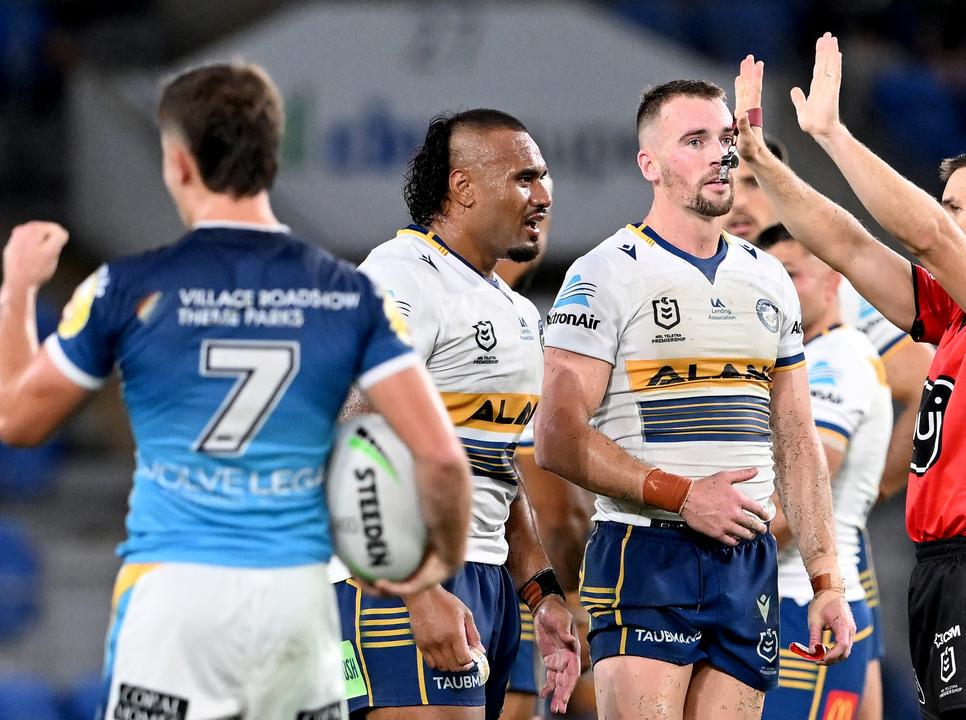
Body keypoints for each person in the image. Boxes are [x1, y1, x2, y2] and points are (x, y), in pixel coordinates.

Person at [0, 62, 472, 719]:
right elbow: (443, 462)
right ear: (272, 160)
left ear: (178, 164)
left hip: (174, 602)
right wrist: (427, 581)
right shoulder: (350, 295)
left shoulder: (127, 289)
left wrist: (19, 285)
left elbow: (17, 421)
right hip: (297, 606)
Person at [733, 36, 966, 720]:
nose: (947, 220)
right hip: (948, 569)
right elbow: (845, 245)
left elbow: (927, 236)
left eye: (957, 205)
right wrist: (762, 164)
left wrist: (835, 136)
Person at [535, 78, 855, 720]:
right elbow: (557, 436)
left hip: (747, 559)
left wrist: (825, 579)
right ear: (648, 164)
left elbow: (796, 438)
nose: (721, 155)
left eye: (728, 140)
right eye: (695, 140)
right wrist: (684, 496)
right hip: (646, 550)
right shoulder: (604, 272)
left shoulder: (769, 276)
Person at [333, 109, 580, 720]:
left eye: (544, 178)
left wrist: (541, 592)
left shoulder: (518, 312)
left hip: (488, 581)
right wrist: (419, 594)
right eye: (525, 178)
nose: (544, 196)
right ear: (462, 187)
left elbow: (499, 468)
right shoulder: (403, 278)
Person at [724, 134, 937, 720]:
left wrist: (866, 492)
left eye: (754, 183)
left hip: (807, 555)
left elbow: (929, 385)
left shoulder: (821, 283)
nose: (740, 200)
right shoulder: (702, 281)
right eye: (728, 181)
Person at [756, 225, 893, 720]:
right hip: (786, 599)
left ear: (834, 280)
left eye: (793, 275)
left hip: (805, 603)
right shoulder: (804, 361)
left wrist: (705, 553)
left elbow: (803, 503)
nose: (781, 293)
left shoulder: (838, 361)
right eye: (773, 278)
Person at [493, 183, 598, 720]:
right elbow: (559, 515)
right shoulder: (516, 331)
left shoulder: (407, 295)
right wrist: (567, 596)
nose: (542, 212)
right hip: (508, 586)